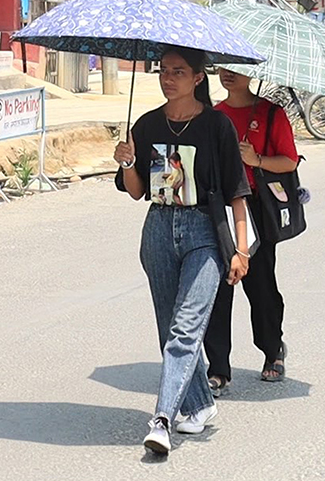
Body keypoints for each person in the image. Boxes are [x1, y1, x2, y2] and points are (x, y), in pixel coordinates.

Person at [114, 47, 250, 455]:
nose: (168, 78)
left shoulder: (217, 126)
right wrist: (126, 162)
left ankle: (162, 419)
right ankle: (200, 403)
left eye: (178, 71)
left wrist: (241, 251)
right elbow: (138, 192)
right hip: (157, 227)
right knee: (167, 325)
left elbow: (236, 193)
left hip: (203, 232)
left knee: (185, 328)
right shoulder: (146, 124)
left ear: (197, 78)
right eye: (163, 70)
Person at [204, 68, 298, 394]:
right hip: (219, 209)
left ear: (253, 72)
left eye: (238, 69)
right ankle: (218, 368)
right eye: (224, 68)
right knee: (216, 288)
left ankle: (273, 350)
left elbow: (289, 161)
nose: (228, 75)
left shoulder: (272, 114)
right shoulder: (213, 116)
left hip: (257, 211)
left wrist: (255, 159)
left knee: (259, 286)